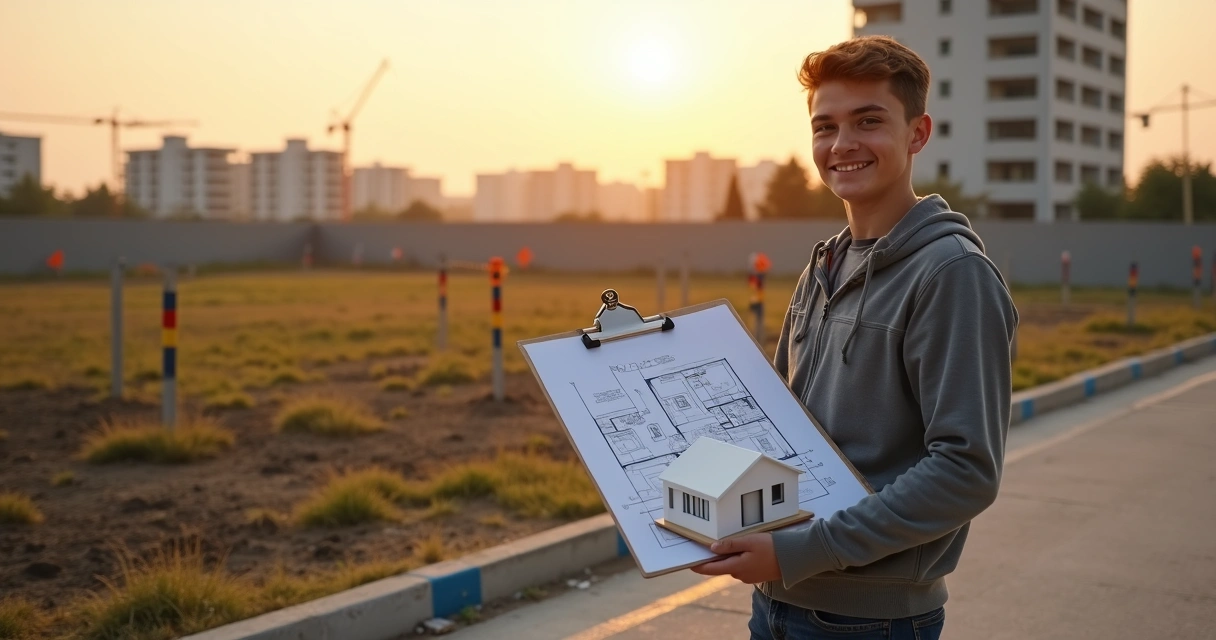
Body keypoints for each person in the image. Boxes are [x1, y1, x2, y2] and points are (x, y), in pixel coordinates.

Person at [691, 35, 1019, 639]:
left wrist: (801, 550)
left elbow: (966, 470)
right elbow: (781, 429)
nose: (842, 145)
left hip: (868, 620)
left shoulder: (951, 275)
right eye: (825, 127)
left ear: (917, 133)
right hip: (778, 602)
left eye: (868, 122)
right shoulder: (826, 265)